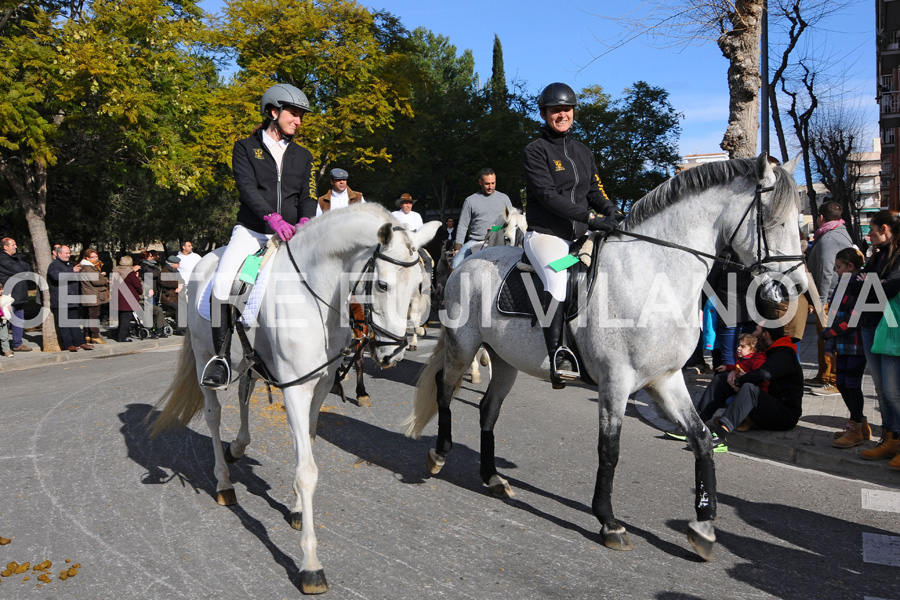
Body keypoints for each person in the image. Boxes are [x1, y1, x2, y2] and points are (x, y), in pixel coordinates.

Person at [203, 83, 318, 388]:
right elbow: (247, 188)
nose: (298, 121)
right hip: (254, 233)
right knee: (226, 282)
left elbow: (308, 195)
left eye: (301, 116)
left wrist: (306, 219)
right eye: (293, 114)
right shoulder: (245, 147)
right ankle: (221, 358)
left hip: (290, 236)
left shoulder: (303, 155)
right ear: (273, 111)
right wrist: (271, 216)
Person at [521, 82, 620, 388]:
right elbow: (548, 196)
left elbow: (593, 190)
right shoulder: (534, 151)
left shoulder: (582, 151)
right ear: (544, 114)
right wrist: (591, 218)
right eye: (555, 111)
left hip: (579, 236)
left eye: (566, 109)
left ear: (573, 112)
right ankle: (558, 356)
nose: (562, 114)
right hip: (547, 236)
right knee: (558, 278)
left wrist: (612, 212)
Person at [844, 211, 900, 468]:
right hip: (870, 325)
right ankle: (889, 438)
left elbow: (890, 288)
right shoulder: (878, 254)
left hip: (890, 327)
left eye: (872, 230)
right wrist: (872, 281)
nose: (868, 235)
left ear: (885, 228)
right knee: (880, 388)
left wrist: (870, 281)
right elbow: (853, 283)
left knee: (892, 389)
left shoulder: (897, 256)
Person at [700, 325, 804, 452]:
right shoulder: (771, 350)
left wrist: (739, 381)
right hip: (768, 405)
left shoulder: (783, 354)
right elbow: (749, 366)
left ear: (766, 335)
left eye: (757, 330)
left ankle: (721, 436)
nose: (754, 333)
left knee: (749, 388)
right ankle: (697, 423)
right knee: (721, 379)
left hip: (785, 415)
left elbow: (763, 374)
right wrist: (734, 371)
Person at [820, 247, 870, 448]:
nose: (836, 271)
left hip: (856, 345)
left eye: (839, 267)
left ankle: (856, 427)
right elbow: (834, 316)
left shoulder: (860, 285)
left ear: (850, 266)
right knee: (840, 382)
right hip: (841, 344)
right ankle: (860, 423)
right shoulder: (842, 284)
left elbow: (853, 320)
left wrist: (828, 334)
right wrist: (830, 343)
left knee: (851, 384)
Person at [805, 201, 854, 394]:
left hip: (829, 297)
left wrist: (821, 301)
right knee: (823, 337)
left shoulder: (829, 239)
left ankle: (832, 380)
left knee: (828, 337)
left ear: (821, 217)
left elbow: (826, 271)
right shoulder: (837, 232)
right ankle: (824, 375)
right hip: (834, 294)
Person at [451, 168, 514, 268]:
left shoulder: (504, 198)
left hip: (500, 242)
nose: (490, 187)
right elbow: (463, 225)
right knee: (455, 263)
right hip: (476, 241)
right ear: (480, 182)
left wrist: (495, 229)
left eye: (493, 183)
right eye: (487, 184)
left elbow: (511, 222)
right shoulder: (470, 201)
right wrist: (458, 248)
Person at [47, 245, 92, 352]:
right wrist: (73, 271)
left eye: (69, 253)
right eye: (66, 253)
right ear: (59, 254)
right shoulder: (54, 265)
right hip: (60, 299)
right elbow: (58, 277)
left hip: (71, 298)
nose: (68, 255)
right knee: (64, 324)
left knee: (74, 323)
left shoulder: (68, 265)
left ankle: (80, 342)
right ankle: (68, 344)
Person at [0, 237, 34, 352]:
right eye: (13, 244)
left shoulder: (16, 258)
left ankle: (17, 343)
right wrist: (21, 268)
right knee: (4, 321)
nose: (16, 246)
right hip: (9, 296)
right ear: (5, 247)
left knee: (19, 320)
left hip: (19, 295)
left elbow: (28, 269)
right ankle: (4, 345)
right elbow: (19, 270)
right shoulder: (2, 259)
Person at [78, 248, 109, 344]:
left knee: (88, 315)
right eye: (93, 257)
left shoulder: (86, 267)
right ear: (87, 258)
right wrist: (104, 279)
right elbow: (96, 281)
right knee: (94, 316)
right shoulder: (88, 267)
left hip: (88, 293)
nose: (96, 258)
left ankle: (87, 335)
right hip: (92, 294)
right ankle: (95, 335)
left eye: (96, 256)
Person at [112, 255, 142, 343]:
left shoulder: (116, 270)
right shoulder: (130, 273)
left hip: (118, 297)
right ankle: (122, 337)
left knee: (121, 318)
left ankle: (118, 334)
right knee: (126, 318)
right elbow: (137, 285)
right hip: (128, 298)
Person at [0, 282, 14, 357]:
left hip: (2, 321)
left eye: (1, 289)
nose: (1, 291)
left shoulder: (4, 298)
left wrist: (8, 308)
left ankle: (6, 350)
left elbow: (8, 306)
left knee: (4, 336)